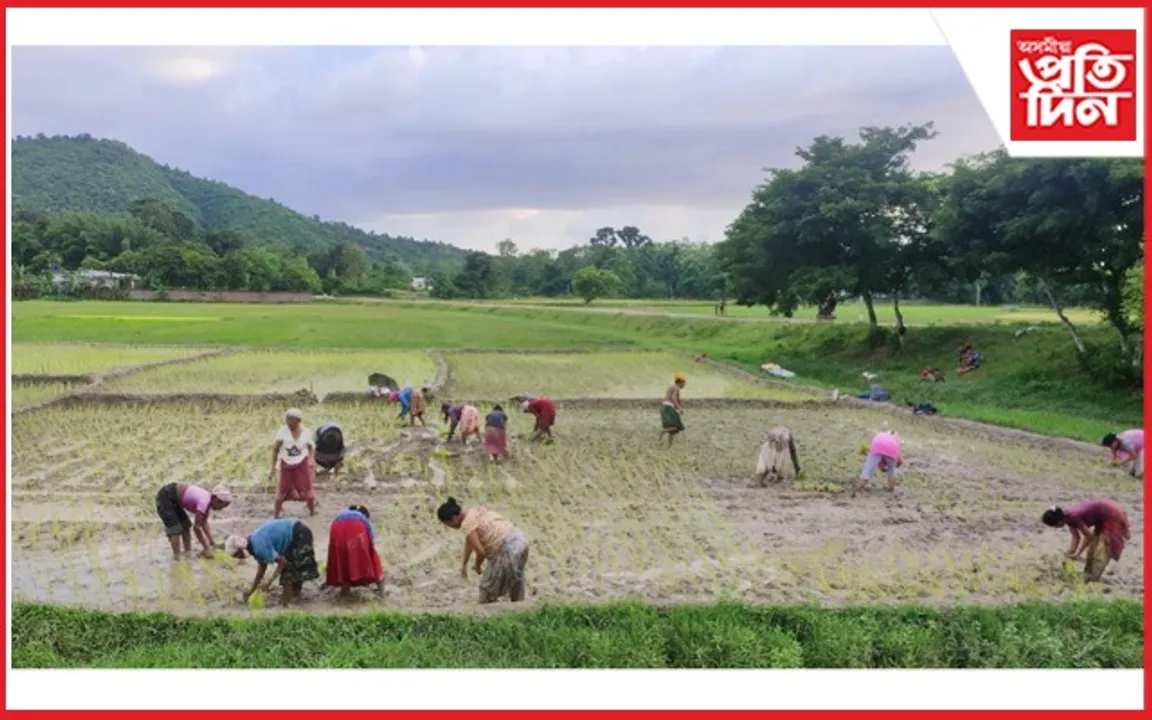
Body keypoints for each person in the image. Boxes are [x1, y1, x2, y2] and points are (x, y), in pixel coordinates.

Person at [436, 496, 530, 604]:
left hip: (507, 547)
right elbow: (470, 541)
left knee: (487, 588)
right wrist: (464, 564)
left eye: (447, 525)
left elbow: (481, 552)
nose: (449, 527)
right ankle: (519, 607)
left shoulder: (466, 525)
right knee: (516, 576)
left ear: (453, 519)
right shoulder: (473, 512)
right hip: (520, 539)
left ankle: (485, 615)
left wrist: (477, 566)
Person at [225, 517, 320, 605]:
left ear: (241, 550)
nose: (239, 558)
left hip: (299, 534)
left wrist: (269, 582)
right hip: (294, 533)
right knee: (293, 567)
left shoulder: (259, 547)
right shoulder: (253, 543)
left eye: (237, 555)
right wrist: (252, 590)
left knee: (288, 572)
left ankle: (287, 602)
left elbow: (282, 562)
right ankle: (294, 595)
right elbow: (262, 567)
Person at [1041, 501, 1131, 581]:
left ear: (1059, 521)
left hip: (1112, 516)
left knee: (1102, 550)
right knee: (1091, 550)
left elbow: (1089, 537)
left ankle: (1093, 576)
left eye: (1055, 525)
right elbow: (1076, 537)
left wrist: (1078, 554)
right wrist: (1070, 552)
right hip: (1101, 519)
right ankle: (1089, 574)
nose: (1056, 528)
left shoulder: (1073, 516)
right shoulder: (1067, 517)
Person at [154, 482, 232, 559]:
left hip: (175, 499)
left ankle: (188, 553)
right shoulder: (204, 502)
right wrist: (206, 547)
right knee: (175, 530)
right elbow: (197, 528)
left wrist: (212, 542)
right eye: (221, 506)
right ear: (216, 500)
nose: (220, 509)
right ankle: (177, 557)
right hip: (166, 496)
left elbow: (204, 523)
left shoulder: (207, 503)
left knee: (186, 526)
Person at [323, 505, 385, 598]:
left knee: (342, 560)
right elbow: (371, 539)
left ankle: (345, 593)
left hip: (336, 529)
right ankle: (382, 594)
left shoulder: (339, 515)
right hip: (357, 527)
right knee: (373, 559)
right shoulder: (363, 518)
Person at [270, 408, 316, 519]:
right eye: (287, 419)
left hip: (302, 464)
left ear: (298, 420)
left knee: (308, 493)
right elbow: (276, 449)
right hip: (286, 464)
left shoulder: (306, 432)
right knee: (281, 493)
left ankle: (312, 513)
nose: (288, 422)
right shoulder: (283, 431)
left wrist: (310, 459)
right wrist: (272, 467)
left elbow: (310, 447)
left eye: (291, 419)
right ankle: (275, 515)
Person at [852, 430, 902, 498]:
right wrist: (895, 465)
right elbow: (899, 459)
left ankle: (858, 489)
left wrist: (881, 466)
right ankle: (891, 489)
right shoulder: (896, 438)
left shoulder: (879, 434)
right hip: (892, 447)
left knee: (868, 470)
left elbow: (878, 455)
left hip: (877, 445)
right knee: (892, 471)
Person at [660, 374, 687, 447]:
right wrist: (680, 408)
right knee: (676, 426)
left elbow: (677, 399)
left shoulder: (672, 387)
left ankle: (669, 446)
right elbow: (673, 398)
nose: (684, 384)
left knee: (673, 429)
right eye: (683, 382)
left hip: (665, 407)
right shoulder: (676, 388)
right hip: (669, 407)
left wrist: (679, 406)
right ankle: (663, 432)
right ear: (679, 382)